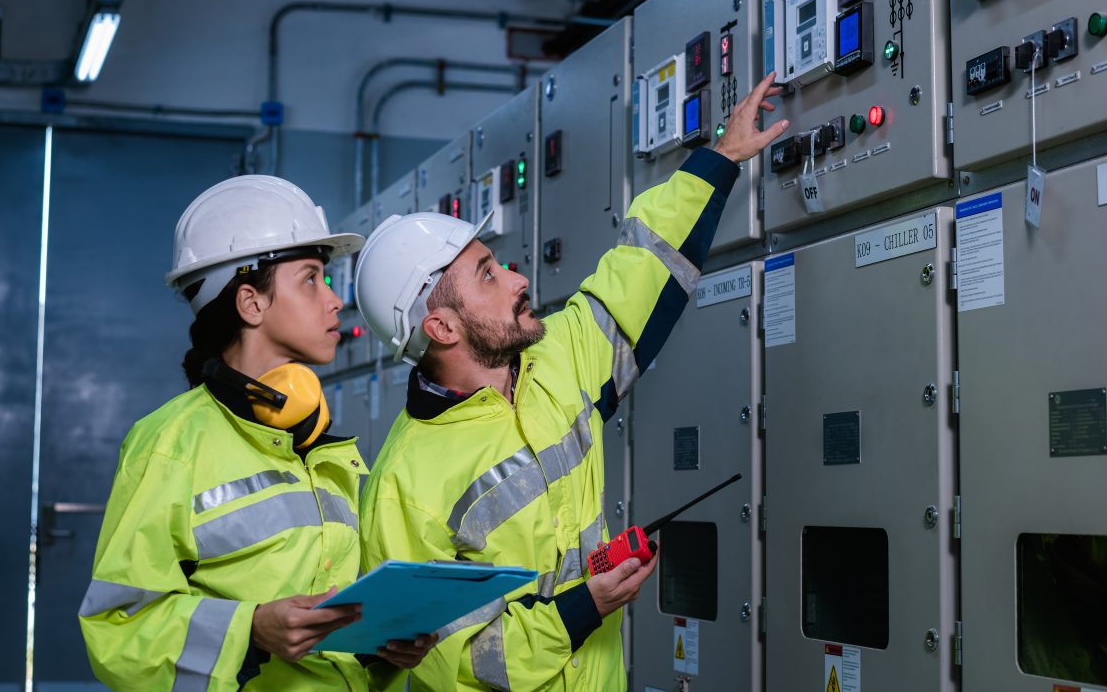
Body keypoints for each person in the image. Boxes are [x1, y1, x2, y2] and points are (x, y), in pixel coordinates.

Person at [352, 74, 789, 690]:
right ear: (442, 326)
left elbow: (638, 270)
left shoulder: (556, 359)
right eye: (486, 276)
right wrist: (586, 607)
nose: (516, 278)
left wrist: (718, 160)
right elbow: (455, 662)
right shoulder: (404, 485)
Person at [78, 175, 436, 691]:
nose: (335, 301)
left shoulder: (316, 440)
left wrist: (384, 643)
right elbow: (116, 630)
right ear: (251, 303)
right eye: (312, 279)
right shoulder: (170, 444)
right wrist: (251, 629)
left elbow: (332, 616)